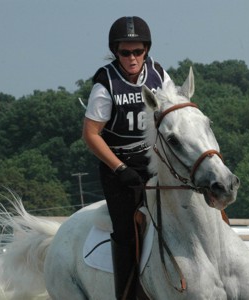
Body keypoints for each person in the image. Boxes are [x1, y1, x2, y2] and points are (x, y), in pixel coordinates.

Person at [83, 16, 172, 299]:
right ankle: (126, 293)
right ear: (115, 52)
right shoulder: (106, 84)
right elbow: (91, 134)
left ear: (146, 50)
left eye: (138, 51)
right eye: (125, 52)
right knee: (126, 231)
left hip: (156, 160)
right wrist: (120, 169)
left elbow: (173, 112)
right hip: (119, 167)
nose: (132, 58)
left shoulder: (159, 74)